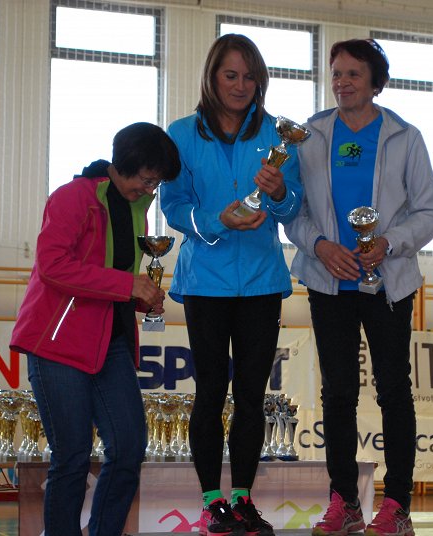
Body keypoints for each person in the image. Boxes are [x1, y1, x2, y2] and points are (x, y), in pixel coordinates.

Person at [284, 39, 433, 536]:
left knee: (394, 390)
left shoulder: (405, 137)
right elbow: (293, 211)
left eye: (354, 73)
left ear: (376, 82)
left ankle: (397, 506)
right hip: (328, 280)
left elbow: (430, 212)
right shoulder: (309, 135)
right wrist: (320, 246)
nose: (342, 82)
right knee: (338, 393)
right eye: (336, 73)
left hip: (388, 284)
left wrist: (389, 243)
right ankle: (345, 502)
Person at [160, 34, 303, 536]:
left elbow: (292, 209)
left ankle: (242, 499)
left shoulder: (279, 136)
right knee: (209, 392)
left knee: (250, 395)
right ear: (212, 77)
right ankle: (211, 503)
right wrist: (216, 221)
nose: (241, 85)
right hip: (204, 282)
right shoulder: (182, 134)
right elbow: (173, 207)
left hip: (262, 281)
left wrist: (280, 192)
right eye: (231, 75)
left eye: (250, 76)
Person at [10, 122, 181, 536]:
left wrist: (141, 297)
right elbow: (53, 267)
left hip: (112, 342)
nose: (150, 189)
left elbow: (113, 277)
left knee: (129, 448)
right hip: (58, 343)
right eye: (147, 179)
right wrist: (128, 285)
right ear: (125, 164)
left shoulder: (137, 208)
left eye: (156, 183)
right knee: (72, 457)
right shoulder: (72, 197)